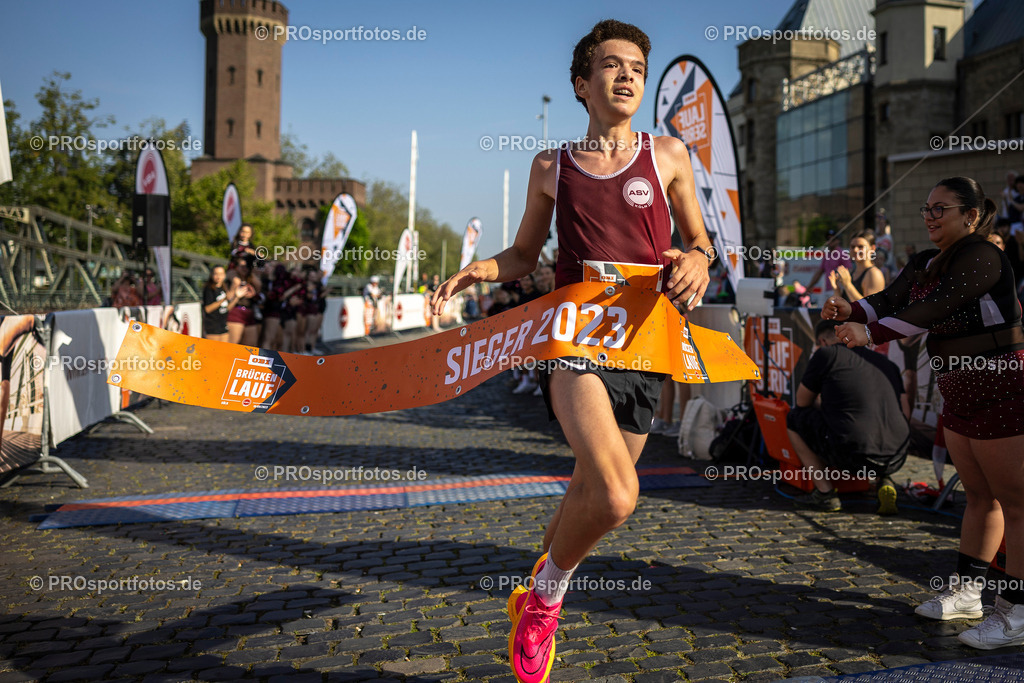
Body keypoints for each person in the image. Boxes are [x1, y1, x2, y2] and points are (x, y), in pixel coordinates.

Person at [430, 20, 712, 682]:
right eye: (611, 66)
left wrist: (696, 262)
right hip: (575, 341)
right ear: (582, 84)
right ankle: (545, 602)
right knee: (616, 494)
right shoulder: (551, 165)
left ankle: (537, 580)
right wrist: (478, 271)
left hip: (646, 345)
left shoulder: (668, 155)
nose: (627, 76)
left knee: (590, 486)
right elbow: (525, 256)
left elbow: (700, 242)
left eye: (638, 68)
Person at [827, 176, 1024, 649]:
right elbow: (889, 301)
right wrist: (850, 311)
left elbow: (936, 308)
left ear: (970, 216)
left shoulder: (983, 256)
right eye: (927, 209)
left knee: (1017, 504)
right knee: (978, 497)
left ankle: (1017, 613)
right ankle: (968, 593)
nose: (931, 217)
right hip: (959, 392)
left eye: (942, 209)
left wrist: (869, 334)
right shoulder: (923, 261)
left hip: (1004, 389)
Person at [785, 319, 909, 512]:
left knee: (794, 418)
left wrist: (824, 405)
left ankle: (825, 494)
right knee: (874, 427)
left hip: (853, 453)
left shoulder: (826, 354)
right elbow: (905, 412)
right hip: (897, 455)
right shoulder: (886, 363)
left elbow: (802, 402)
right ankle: (884, 479)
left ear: (822, 341)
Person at [830, 232, 884, 303]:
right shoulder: (852, 272)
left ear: (872, 249)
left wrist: (847, 284)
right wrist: (836, 289)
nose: (855, 250)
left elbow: (869, 308)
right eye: (852, 247)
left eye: (860, 246)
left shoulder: (874, 274)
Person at [225, 254, 261, 346]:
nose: (244, 268)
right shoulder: (232, 275)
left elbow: (259, 286)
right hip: (236, 311)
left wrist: (253, 293)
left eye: (247, 266)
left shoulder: (250, 277)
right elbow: (229, 297)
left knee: (250, 347)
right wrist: (236, 288)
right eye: (242, 266)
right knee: (233, 345)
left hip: (249, 312)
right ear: (236, 267)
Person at [201, 265, 234, 342]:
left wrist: (236, 297)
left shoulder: (224, 288)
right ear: (212, 275)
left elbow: (227, 308)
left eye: (221, 274)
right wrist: (224, 299)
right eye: (216, 274)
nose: (218, 276)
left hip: (223, 326)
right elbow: (207, 309)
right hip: (212, 327)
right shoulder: (208, 289)